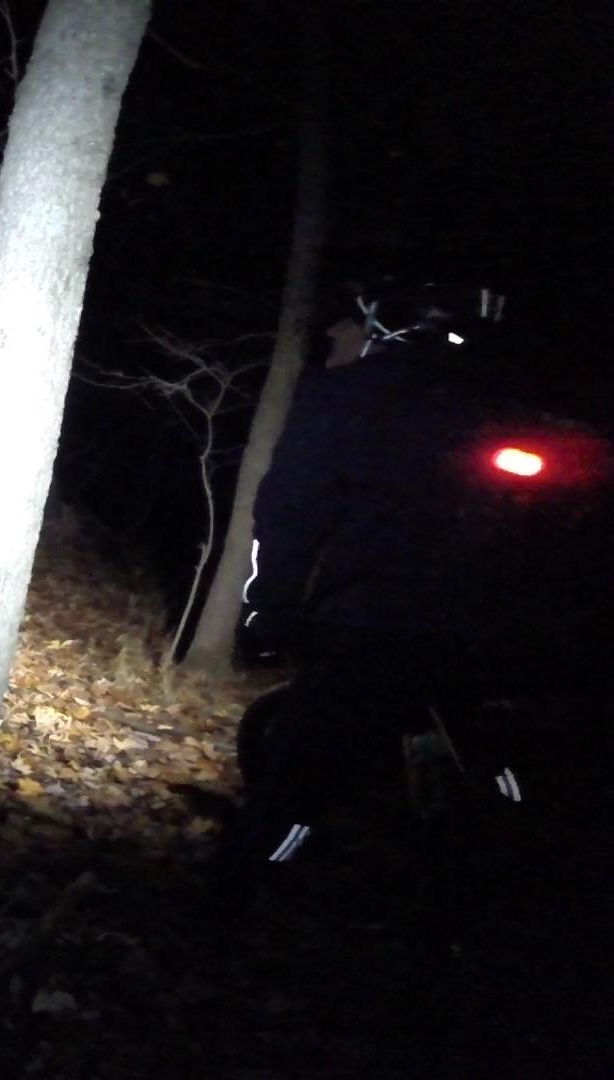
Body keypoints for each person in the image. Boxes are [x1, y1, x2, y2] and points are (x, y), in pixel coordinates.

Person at [226, 281, 524, 869]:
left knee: (298, 778)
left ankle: (234, 901)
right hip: (468, 626)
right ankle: (513, 848)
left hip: (366, 620)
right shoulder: (487, 410)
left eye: (350, 320)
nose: (335, 332)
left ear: (387, 326)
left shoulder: (349, 398)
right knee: (485, 754)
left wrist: (269, 608)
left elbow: (290, 510)